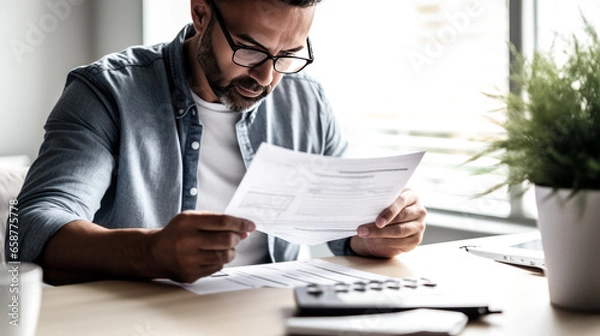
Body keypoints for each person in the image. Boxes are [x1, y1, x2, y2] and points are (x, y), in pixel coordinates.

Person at [8, 0, 426, 285]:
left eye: (289, 54)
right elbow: (29, 227)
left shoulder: (307, 100)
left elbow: (340, 227)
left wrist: (374, 235)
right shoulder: (107, 93)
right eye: (250, 50)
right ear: (202, 12)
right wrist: (149, 252)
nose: (267, 78)